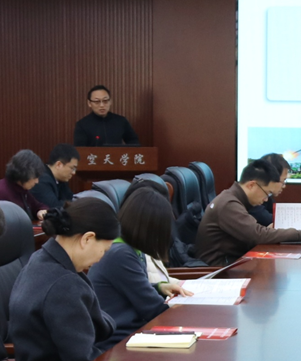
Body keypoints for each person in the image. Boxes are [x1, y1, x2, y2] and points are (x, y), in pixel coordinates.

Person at [9, 198, 119, 361]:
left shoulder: (39, 259)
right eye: (104, 250)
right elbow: (81, 357)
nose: (100, 258)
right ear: (87, 239)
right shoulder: (64, 285)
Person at [87, 187, 192, 351]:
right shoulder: (120, 254)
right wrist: (192, 310)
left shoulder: (130, 248)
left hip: (133, 334)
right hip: (117, 343)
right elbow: (153, 309)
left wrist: (159, 287)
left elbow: (132, 290)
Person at [195, 159, 301, 266]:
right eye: (267, 193)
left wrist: (269, 231)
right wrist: (300, 235)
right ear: (251, 185)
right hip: (221, 269)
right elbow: (257, 235)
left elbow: (253, 233)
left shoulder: (233, 198)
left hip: (233, 260)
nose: (266, 199)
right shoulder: (229, 204)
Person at [73, 85, 140, 147]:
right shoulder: (82, 125)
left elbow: (134, 142)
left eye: (105, 101)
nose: (102, 105)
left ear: (110, 101)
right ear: (89, 103)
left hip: (116, 156)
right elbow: (80, 150)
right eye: (97, 102)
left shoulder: (121, 121)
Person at [0, 150, 48, 221]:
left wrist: (41, 211)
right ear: (24, 174)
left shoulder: (22, 190)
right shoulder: (2, 191)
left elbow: (38, 206)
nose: (37, 181)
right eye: (35, 177)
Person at [30, 143, 80, 209]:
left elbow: (69, 199)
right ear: (59, 165)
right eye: (72, 168)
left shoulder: (62, 179)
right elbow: (54, 207)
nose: (74, 173)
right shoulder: (41, 179)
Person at [248, 153, 290, 227]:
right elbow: (271, 220)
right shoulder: (253, 198)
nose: (284, 186)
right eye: (283, 181)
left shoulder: (268, 198)